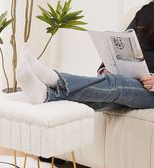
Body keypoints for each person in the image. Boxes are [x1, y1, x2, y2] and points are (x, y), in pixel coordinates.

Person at [17, 1, 154, 111]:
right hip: (136, 82)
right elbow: (122, 44)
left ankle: (55, 78)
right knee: (102, 98)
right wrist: (106, 67)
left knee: (119, 85)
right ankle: (46, 95)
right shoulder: (147, 12)